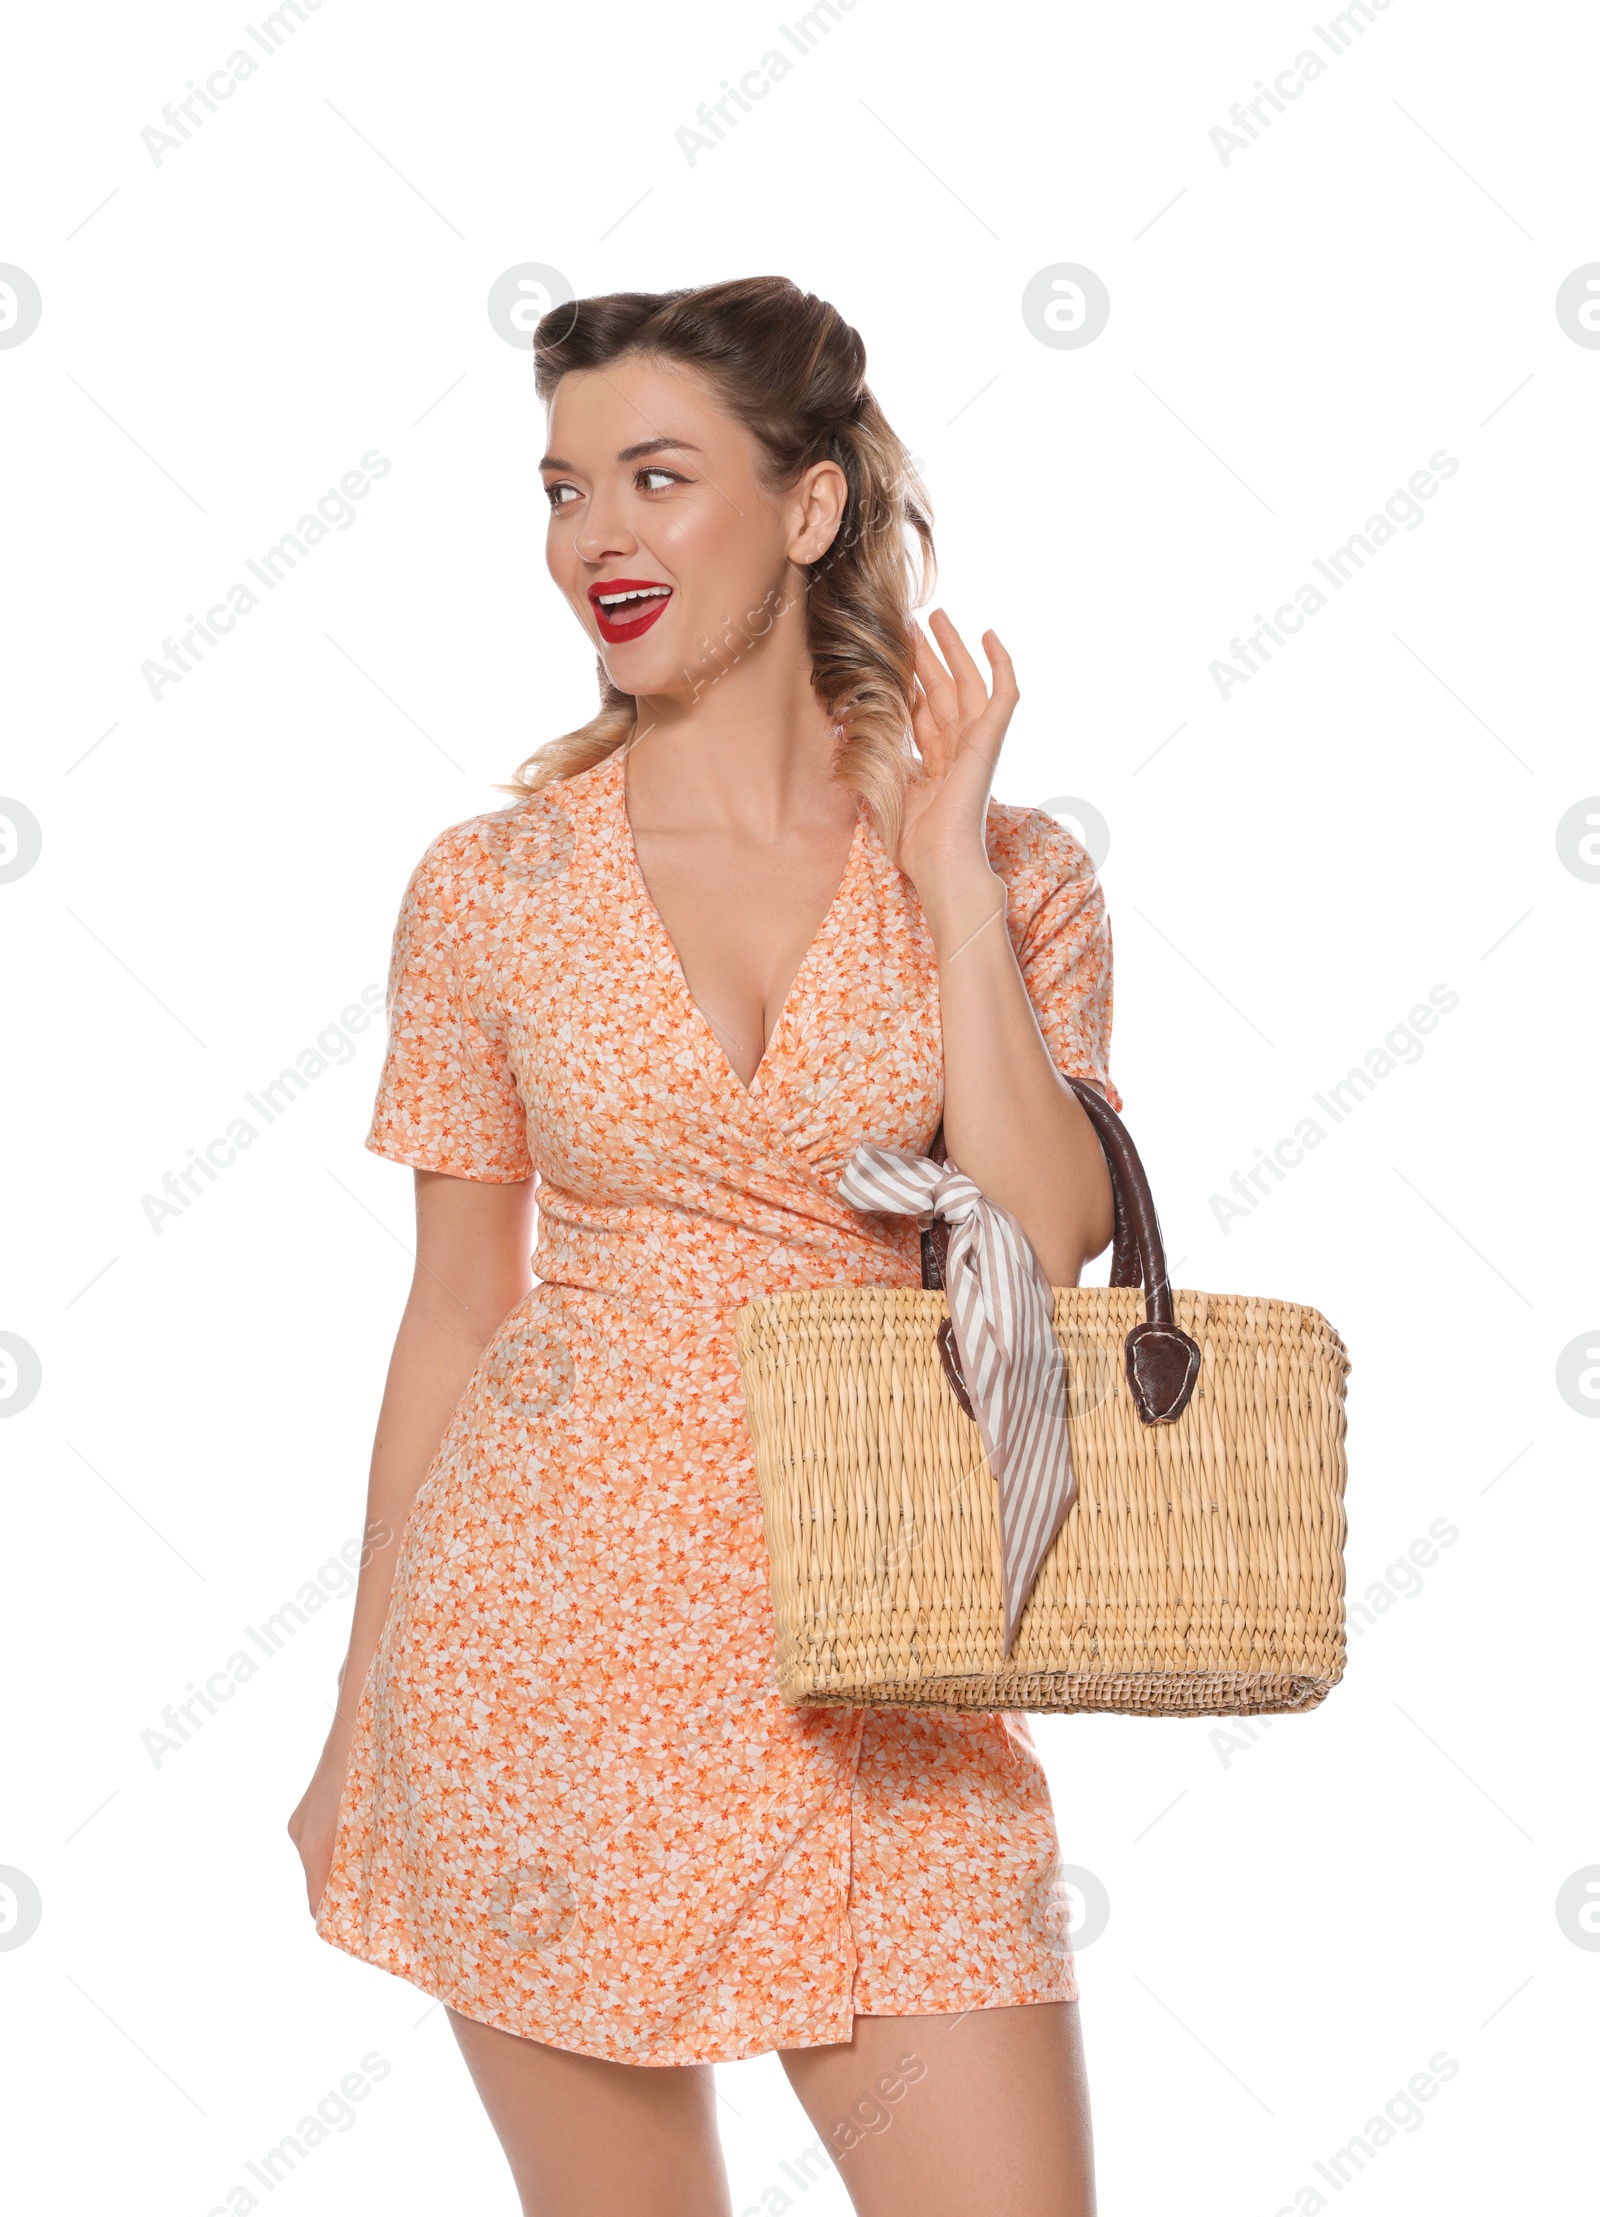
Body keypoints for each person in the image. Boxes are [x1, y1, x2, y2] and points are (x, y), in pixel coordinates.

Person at [288, 274, 1118, 2217]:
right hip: (539, 1666)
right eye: (565, 489)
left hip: (880, 1681)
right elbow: (451, 1309)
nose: (597, 539)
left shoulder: (1004, 872)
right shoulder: (488, 889)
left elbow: (1052, 1231)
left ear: (810, 507)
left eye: (655, 477)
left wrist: (942, 878)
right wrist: (357, 1719)